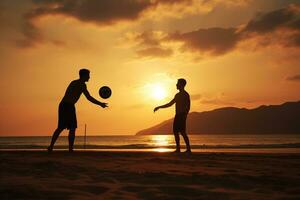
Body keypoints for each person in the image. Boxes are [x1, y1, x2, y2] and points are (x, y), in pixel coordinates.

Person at [48, 69, 108, 152]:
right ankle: (65, 148)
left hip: (66, 105)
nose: (89, 77)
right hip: (67, 105)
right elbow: (89, 97)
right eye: (88, 75)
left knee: (66, 128)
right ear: (84, 76)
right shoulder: (81, 84)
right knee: (67, 128)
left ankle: (55, 147)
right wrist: (100, 104)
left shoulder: (74, 82)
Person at [154, 78, 191, 153]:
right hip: (177, 115)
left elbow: (188, 106)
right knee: (175, 132)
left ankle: (188, 149)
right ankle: (178, 149)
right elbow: (170, 104)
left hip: (182, 115)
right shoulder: (177, 95)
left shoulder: (185, 95)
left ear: (181, 85)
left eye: (178, 83)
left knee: (183, 132)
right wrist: (159, 107)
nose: (176, 85)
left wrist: (185, 114)